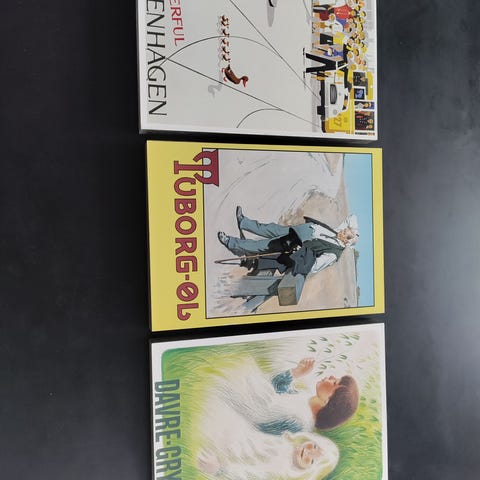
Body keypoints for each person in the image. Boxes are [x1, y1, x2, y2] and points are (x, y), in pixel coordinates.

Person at [211, 357, 359, 437]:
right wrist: (296, 373)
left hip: (239, 406)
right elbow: (277, 386)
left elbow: (262, 427)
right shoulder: (306, 397)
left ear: (328, 401)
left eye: (334, 383)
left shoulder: (300, 424)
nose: (331, 376)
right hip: (250, 392)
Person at [217, 207, 358, 275]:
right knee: (270, 228)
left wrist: (300, 255)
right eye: (344, 229)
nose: (342, 231)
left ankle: (230, 242)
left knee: (263, 245)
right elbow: (351, 218)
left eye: (345, 233)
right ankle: (244, 222)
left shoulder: (334, 254)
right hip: (297, 230)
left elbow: (314, 266)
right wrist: (353, 231)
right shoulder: (338, 233)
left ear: (346, 241)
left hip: (295, 243)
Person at [197, 430, 339, 480]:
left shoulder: (283, 470)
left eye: (312, 460)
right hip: (229, 447)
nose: (308, 452)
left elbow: (250, 475)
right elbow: (255, 441)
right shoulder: (287, 445)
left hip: (223, 463)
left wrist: (220, 469)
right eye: (314, 446)